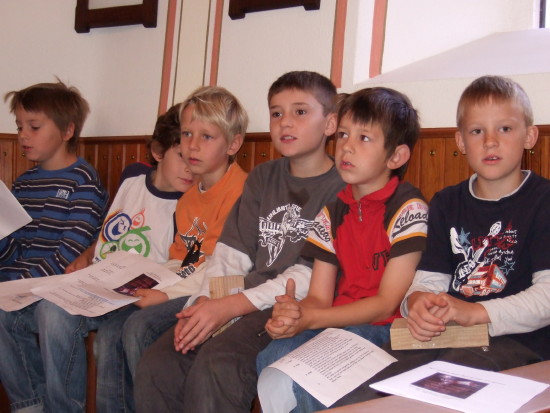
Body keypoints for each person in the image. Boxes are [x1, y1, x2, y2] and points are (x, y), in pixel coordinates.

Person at [306, 75, 550, 408]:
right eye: (477, 131)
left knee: (438, 391)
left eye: (504, 129)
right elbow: (426, 283)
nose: (490, 142)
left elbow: (546, 299)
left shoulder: (543, 201)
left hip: (521, 343)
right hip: (446, 338)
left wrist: (475, 312)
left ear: (530, 136)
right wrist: (418, 304)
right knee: (361, 395)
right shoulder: (446, 202)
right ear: (460, 141)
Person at [134, 70, 346, 413]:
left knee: (219, 364)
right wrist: (205, 302)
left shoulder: (342, 186)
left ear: (330, 123)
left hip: (291, 307)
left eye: (300, 112)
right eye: (276, 113)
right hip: (243, 298)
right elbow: (230, 254)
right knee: (160, 362)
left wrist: (229, 307)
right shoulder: (263, 177)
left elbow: (307, 278)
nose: (285, 122)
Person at [256, 87, 429, 413]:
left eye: (364, 138)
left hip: (387, 330)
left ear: (396, 157)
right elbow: (319, 297)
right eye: (344, 135)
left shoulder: (408, 208)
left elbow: (385, 304)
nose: (347, 146)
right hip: (338, 325)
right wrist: (294, 314)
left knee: (313, 386)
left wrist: (313, 318)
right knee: (272, 357)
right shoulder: (331, 213)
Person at [31, 102, 195, 413]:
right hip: (99, 284)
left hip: (137, 298)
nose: (190, 168)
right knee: (50, 312)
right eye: (181, 157)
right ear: (158, 152)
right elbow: (111, 229)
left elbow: (184, 265)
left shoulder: (189, 204)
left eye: (195, 160)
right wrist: (87, 254)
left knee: (111, 339)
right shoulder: (132, 176)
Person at [98, 85, 249, 413]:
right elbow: (183, 259)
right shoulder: (190, 197)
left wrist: (164, 295)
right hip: (188, 282)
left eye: (206, 136)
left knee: (139, 326)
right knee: (111, 327)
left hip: (218, 291)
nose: (192, 146)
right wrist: (142, 280)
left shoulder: (240, 192)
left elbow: (216, 269)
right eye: (187, 134)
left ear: (233, 144)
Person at [0, 80, 108, 413]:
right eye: (19, 126)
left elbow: (70, 252)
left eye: (34, 127)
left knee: (52, 315)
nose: (23, 135)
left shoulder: (83, 181)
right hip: (23, 289)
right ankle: (30, 405)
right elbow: (13, 250)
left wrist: (17, 284)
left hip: (61, 288)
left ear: (67, 130)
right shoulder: (24, 184)